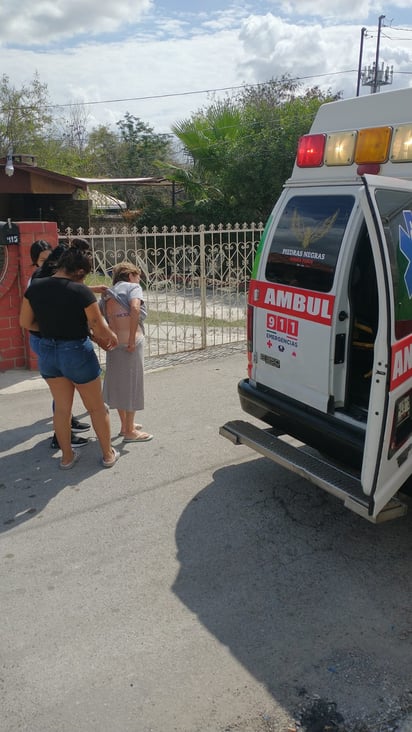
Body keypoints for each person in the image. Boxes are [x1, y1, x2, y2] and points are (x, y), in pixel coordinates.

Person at [20, 239, 120, 469]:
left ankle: (66, 458)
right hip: (76, 351)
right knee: (96, 407)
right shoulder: (80, 291)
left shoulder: (35, 288)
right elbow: (97, 324)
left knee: (62, 409)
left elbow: (25, 322)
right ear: (79, 271)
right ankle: (107, 454)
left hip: (47, 352)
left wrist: (48, 330)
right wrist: (111, 337)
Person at [29, 240, 91, 449]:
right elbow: (30, 319)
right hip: (48, 340)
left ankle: (67, 426)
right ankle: (61, 436)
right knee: (62, 394)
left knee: (62, 394)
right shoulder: (39, 281)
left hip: (46, 340)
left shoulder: (43, 279)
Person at [99, 261, 153, 442]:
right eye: (138, 277)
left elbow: (99, 319)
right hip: (132, 343)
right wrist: (131, 339)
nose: (139, 281)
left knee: (119, 385)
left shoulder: (107, 294)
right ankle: (130, 431)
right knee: (133, 385)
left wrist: (102, 339)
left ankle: (125, 426)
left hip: (114, 343)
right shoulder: (132, 287)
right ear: (131, 275)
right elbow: (135, 308)